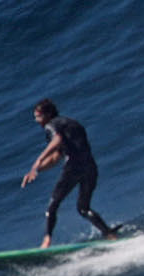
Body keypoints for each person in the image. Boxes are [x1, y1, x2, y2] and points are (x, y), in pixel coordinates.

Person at [21, 99, 120, 247]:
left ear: (48, 114)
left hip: (73, 167)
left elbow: (57, 140)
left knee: (52, 206)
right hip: (90, 166)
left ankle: (46, 241)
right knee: (83, 208)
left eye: (39, 117)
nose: (37, 121)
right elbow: (56, 157)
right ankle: (109, 234)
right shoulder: (70, 123)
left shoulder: (51, 125)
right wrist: (38, 169)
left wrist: (38, 161)